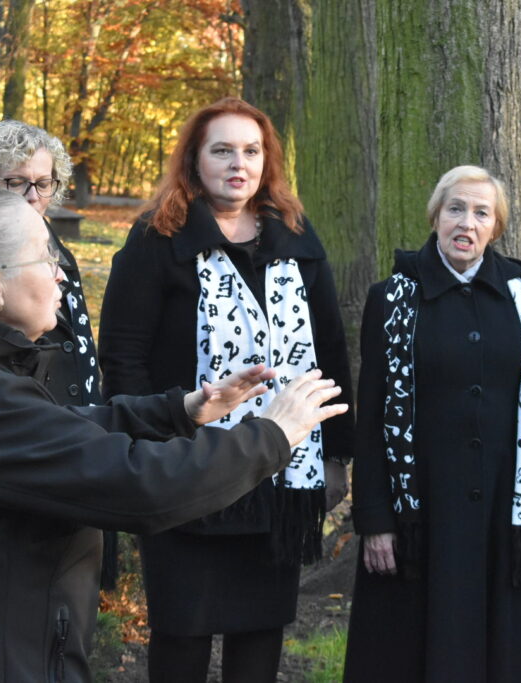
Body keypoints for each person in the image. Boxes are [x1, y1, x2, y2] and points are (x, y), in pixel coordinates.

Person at [0, 188, 348, 682]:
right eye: (45, 257)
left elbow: (65, 434)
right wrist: (272, 434)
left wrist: (181, 410)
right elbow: (142, 485)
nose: (60, 273)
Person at [97, 97, 354, 682]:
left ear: (267, 161)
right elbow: (124, 353)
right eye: (222, 151)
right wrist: (148, 443)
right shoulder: (157, 237)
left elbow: (329, 347)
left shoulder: (294, 234)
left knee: (260, 630)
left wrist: (336, 453)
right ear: (194, 159)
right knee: (182, 629)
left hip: (280, 471)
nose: (239, 164)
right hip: (185, 466)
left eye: (251, 151)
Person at [342, 165, 521, 682]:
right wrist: (375, 519)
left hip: (500, 516)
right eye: (456, 209)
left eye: (481, 213)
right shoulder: (392, 299)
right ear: (436, 216)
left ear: (496, 227)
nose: (467, 222)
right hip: (417, 518)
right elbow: (372, 415)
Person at [0, 120, 125, 588]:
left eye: (43, 183)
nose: (33, 196)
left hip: (76, 430)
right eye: (16, 182)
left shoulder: (52, 243)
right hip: (24, 444)